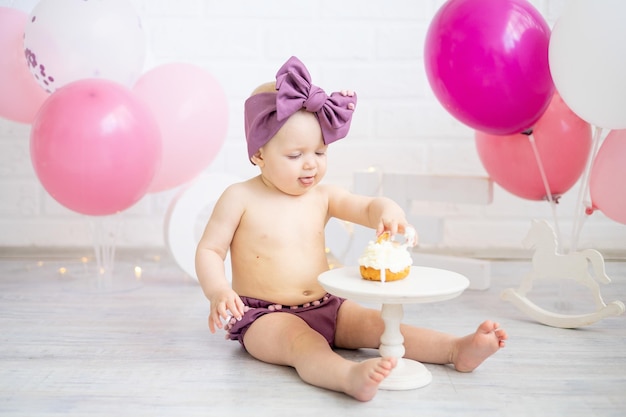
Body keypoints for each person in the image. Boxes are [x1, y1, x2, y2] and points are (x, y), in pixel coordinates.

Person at [195, 56, 507, 402]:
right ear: (259, 155)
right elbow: (210, 249)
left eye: (320, 150)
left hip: (329, 305)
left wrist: (388, 209)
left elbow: (364, 206)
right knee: (303, 344)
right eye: (295, 154)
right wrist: (218, 291)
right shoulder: (240, 197)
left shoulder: (322, 196)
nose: (311, 163)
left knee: (381, 326)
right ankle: (346, 375)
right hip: (266, 317)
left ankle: (455, 349)